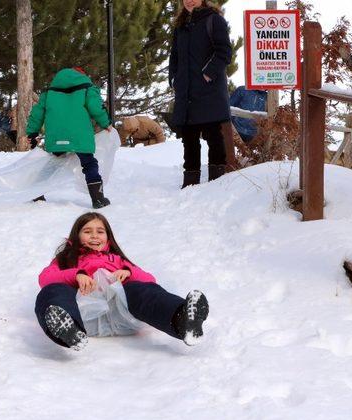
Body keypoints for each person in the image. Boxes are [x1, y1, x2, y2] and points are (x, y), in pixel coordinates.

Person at [34, 212, 210, 350]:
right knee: (52, 290)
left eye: (100, 232)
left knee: (141, 290)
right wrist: (76, 275)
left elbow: (150, 280)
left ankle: (182, 319)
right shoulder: (67, 258)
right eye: (87, 231)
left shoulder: (117, 260)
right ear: (76, 236)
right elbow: (45, 278)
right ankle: (67, 330)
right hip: (83, 312)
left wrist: (127, 272)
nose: (94, 236)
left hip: (121, 312)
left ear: (108, 238)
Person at [26, 67, 113, 209]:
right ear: (82, 75)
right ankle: (98, 198)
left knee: (53, 163)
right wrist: (106, 123)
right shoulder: (87, 87)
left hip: (56, 135)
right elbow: (95, 107)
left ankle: (37, 193)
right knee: (89, 164)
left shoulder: (49, 92)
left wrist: (32, 132)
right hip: (79, 134)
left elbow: (37, 113)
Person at [168, 0, 232, 188]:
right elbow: (175, 56)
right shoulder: (181, 25)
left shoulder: (214, 20)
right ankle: (190, 184)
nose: (189, 0)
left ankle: (217, 183)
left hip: (209, 90)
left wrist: (207, 74)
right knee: (189, 137)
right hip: (186, 91)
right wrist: (173, 79)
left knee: (213, 135)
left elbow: (225, 52)